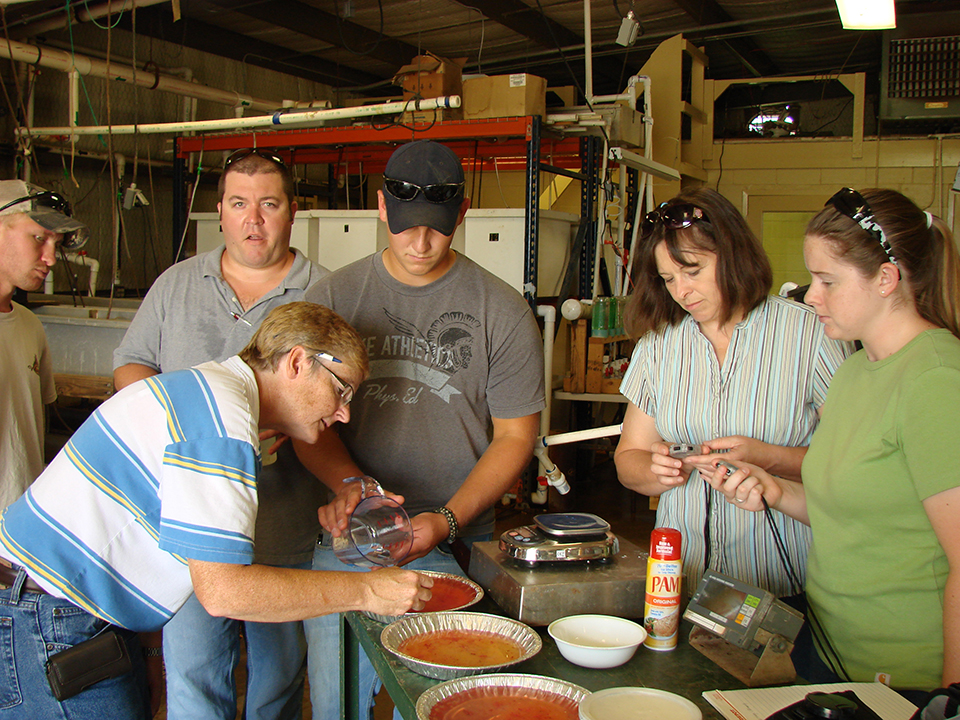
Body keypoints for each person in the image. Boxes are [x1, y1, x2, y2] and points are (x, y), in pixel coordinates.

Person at [0, 301, 433, 719]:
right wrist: (369, 592)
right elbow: (225, 592)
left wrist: (148, 651)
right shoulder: (223, 422)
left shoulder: (208, 391)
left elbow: (152, 540)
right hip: (49, 616)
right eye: (341, 390)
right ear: (298, 362)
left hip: (52, 609)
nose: (342, 413)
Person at [298, 139, 545, 719]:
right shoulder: (333, 298)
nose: (420, 243)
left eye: (436, 228)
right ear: (382, 208)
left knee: (446, 702)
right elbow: (304, 422)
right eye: (406, 227)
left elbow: (515, 437)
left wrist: (448, 519)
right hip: (351, 537)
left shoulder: (501, 310)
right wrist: (352, 488)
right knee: (336, 699)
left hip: (454, 538)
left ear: (461, 215)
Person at [708, 188, 960, 694]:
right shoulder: (855, 370)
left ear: (886, 279)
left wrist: (951, 701)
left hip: (906, 678)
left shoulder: (935, 378)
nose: (810, 295)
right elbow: (855, 509)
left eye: (827, 280)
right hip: (830, 657)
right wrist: (775, 491)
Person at [112, 149, 328, 720]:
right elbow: (132, 364)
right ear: (221, 212)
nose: (252, 219)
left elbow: (343, 401)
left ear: (292, 212)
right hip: (188, 525)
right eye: (239, 204)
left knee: (279, 679)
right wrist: (178, 427)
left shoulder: (327, 293)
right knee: (192, 674)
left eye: (268, 204)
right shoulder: (176, 284)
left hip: (285, 524)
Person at [614, 187, 853, 601]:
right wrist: (657, 471)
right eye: (668, 279)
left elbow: (850, 470)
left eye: (692, 271)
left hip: (785, 581)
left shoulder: (811, 334)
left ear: (733, 254)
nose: (681, 292)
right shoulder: (660, 345)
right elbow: (627, 459)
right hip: (681, 581)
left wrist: (767, 456)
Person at [0, 180, 87, 512]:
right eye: (38, 238)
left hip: (21, 525)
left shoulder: (28, 325)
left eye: (57, 243)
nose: (50, 258)